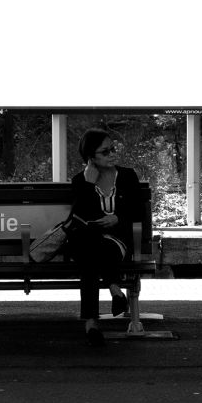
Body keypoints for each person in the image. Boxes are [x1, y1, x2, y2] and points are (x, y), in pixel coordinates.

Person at [68, 128, 145, 346]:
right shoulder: (80, 181)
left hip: (115, 242)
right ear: (91, 157)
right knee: (89, 247)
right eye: (105, 152)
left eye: (113, 149)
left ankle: (91, 322)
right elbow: (79, 217)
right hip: (88, 240)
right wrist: (88, 184)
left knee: (90, 257)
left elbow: (138, 212)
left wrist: (118, 218)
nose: (112, 154)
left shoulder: (127, 176)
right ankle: (113, 286)